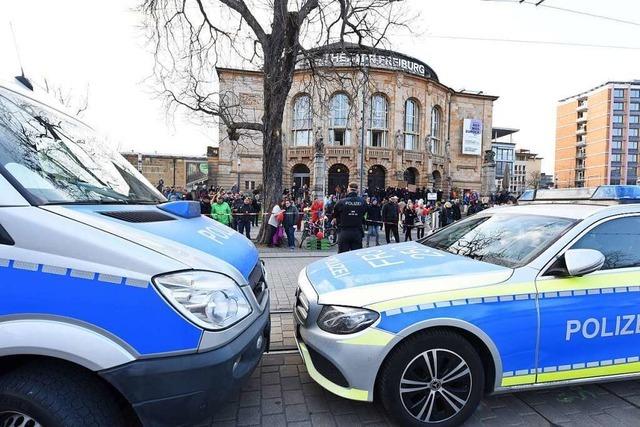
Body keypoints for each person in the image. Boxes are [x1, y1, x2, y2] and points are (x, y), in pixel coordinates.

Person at [332, 182, 366, 253]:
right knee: (356, 256)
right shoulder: (363, 201)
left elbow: (334, 215)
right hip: (357, 231)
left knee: (342, 256)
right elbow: (365, 212)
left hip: (344, 231)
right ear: (357, 190)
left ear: (348, 189)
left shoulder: (341, 202)